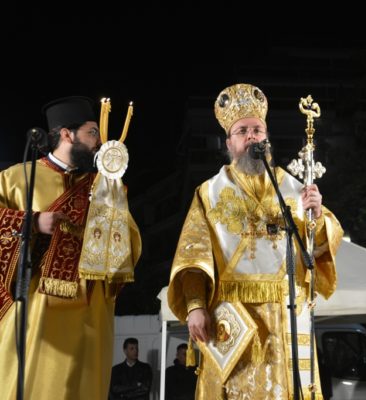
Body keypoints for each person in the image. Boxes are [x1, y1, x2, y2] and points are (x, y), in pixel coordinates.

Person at [167, 83, 343, 399]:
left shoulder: (293, 189)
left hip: (285, 318)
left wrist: (317, 216)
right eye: (242, 131)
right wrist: (195, 306)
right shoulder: (209, 193)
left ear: (266, 137)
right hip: (232, 318)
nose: (251, 136)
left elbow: (319, 248)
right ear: (229, 142)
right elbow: (193, 256)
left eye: (257, 130)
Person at [0, 96, 142, 399]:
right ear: (67, 134)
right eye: (92, 132)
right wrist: (32, 222)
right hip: (36, 310)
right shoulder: (16, 179)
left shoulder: (104, 186)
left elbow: (130, 242)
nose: (100, 141)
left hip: (92, 311)